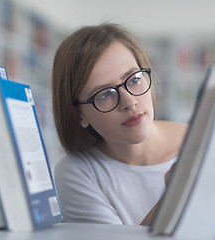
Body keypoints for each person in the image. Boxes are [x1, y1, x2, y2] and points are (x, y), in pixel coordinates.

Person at [51, 23, 188, 226]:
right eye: (105, 94)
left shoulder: (205, 139)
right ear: (79, 115)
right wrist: (174, 199)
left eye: (134, 79)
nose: (129, 101)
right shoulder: (79, 171)